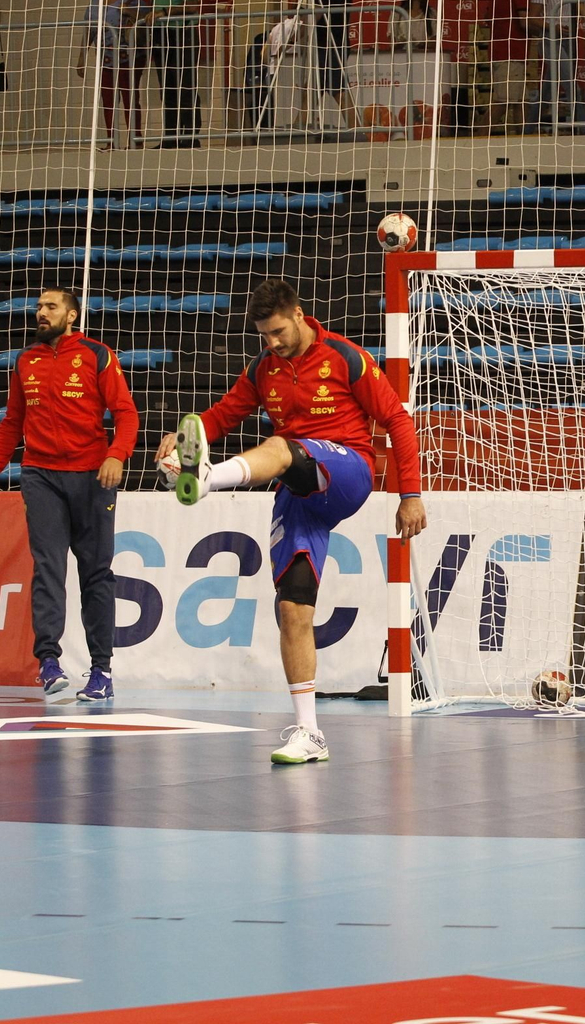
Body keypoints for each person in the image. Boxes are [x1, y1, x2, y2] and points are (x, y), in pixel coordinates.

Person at [158, 280, 426, 764]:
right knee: (293, 610)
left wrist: (410, 495)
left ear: (299, 315)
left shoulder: (345, 357)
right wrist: (182, 438)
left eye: (278, 332)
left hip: (347, 472)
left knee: (282, 448)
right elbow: (220, 417)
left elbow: (398, 422)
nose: (273, 343)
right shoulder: (264, 368)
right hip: (298, 493)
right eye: (264, 336)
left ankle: (208, 478)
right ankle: (309, 733)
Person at [0, 289, 138, 702]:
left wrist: (116, 455)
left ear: (71, 315)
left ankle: (101, 671)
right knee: (47, 567)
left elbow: (127, 413)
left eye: (50, 307)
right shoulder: (26, 360)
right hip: (41, 476)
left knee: (96, 575)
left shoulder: (97, 355)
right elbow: (12, 424)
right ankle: (48, 662)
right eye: (39, 307)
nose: (40, 313)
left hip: (93, 477)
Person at [77, 0, 144, 149]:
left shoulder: (132, 0)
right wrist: (82, 57)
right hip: (106, 59)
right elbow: (88, 30)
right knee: (108, 100)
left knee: (130, 98)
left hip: (129, 58)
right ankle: (111, 141)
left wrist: (131, 13)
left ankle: (135, 141)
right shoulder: (94, 4)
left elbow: (147, 18)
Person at [483, 0, 543, 135]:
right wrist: (548, 29)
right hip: (511, 52)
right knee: (503, 101)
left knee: (519, 101)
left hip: (502, 49)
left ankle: (523, 143)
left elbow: (488, 15)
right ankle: (475, 140)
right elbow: (525, 22)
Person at [147, 0, 201, 148]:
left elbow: (192, 5)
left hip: (182, 34)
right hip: (163, 36)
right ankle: (170, 138)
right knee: (168, 89)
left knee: (185, 87)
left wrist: (164, 12)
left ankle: (189, 138)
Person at [311, 0, 364, 130]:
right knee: (312, 89)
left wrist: (295, 29)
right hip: (337, 42)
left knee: (338, 89)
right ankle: (299, 126)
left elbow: (317, 13)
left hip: (327, 44)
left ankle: (357, 131)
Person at [532, 0, 585, 129]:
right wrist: (553, 26)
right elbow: (533, 17)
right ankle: (583, 128)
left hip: (568, 39)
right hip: (550, 38)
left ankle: (530, 126)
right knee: (570, 82)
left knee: (548, 86)